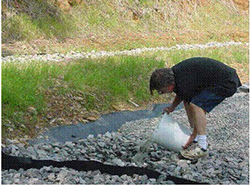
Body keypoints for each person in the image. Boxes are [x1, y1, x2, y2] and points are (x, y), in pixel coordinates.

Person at [149, 57, 242, 160]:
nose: (162, 93)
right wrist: (172, 107)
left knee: (196, 105)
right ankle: (197, 139)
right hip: (218, 80)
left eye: (162, 91)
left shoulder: (183, 79)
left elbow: (198, 108)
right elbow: (182, 96)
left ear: (168, 85)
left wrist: (193, 136)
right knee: (188, 103)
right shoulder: (176, 76)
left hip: (227, 82)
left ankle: (202, 147)